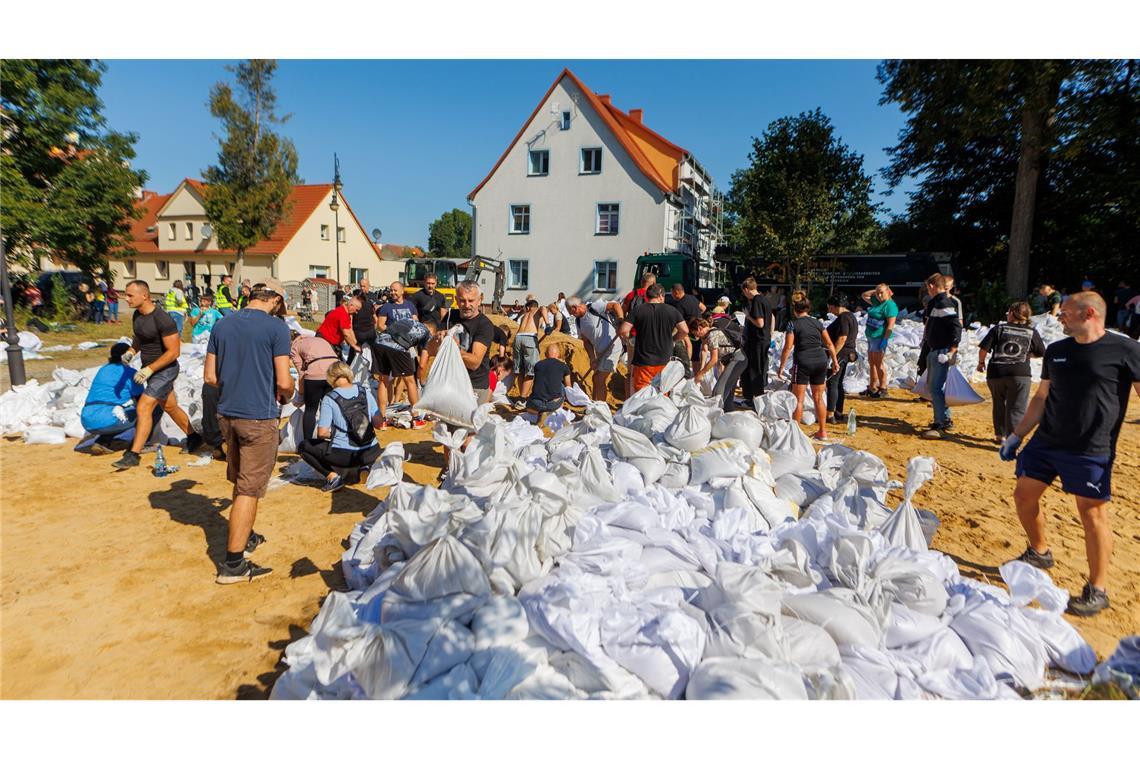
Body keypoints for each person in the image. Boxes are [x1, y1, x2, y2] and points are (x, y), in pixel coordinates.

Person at [998, 291, 1140, 616]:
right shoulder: (1057, 350)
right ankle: (1040, 551)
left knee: (1092, 515)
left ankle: (1098, 589)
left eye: (1066, 313)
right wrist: (1017, 436)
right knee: (1023, 496)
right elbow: (1041, 397)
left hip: (1091, 448)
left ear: (1088, 313)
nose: (1059, 317)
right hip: (1046, 442)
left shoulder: (1126, 350)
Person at [203, 279, 293, 584]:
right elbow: (283, 381)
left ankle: (246, 534)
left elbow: (210, 376)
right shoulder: (276, 328)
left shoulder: (222, 324)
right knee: (249, 489)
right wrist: (289, 392)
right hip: (258, 416)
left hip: (227, 413)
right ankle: (233, 565)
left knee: (240, 480)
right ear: (276, 300)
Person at [112, 281, 203, 470]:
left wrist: (150, 369)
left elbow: (174, 352)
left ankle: (133, 454)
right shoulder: (138, 315)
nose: (125, 298)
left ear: (144, 295)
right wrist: (131, 351)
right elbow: (140, 337)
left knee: (144, 405)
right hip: (151, 369)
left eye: (130, 295)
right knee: (170, 406)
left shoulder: (163, 319)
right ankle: (194, 437)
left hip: (165, 370)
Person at [298, 361, 384, 493]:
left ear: (330, 378)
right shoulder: (364, 391)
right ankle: (364, 466)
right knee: (358, 446)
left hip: (344, 455)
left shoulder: (330, 398)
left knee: (304, 446)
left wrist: (335, 435)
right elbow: (379, 423)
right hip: (372, 450)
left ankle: (333, 477)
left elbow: (322, 433)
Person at [977, 301, 1046, 444]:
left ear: (1012, 313)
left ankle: (999, 436)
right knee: (1017, 407)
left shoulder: (999, 329)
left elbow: (983, 349)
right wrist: (1027, 355)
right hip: (1020, 374)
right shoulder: (1031, 332)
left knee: (998, 404)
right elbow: (1041, 352)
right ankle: (1012, 439)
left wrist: (981, 363)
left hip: (996, 373)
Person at [80, 343, 160, 454]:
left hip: (87, 419)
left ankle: (102, 442)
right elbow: (142, 399)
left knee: (115, 411)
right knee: (150, 407)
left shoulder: (103, 369)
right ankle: (141, 444)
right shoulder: (129, 373)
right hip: (107, 419)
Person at [777, 298, 840, 440]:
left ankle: (796, 433)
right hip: (820, 360)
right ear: (808, 309)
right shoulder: (818, 323)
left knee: (798, 399)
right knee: (818, 397)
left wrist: (782, 366)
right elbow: (829, 344)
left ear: (795, 310)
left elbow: (788, 347)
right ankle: (823, 431)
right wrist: (835, 362)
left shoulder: (793, 324)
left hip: (803, 361)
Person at [617, 283, 688, 392]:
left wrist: (631, 339)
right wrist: (673, 340)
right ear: (660, 296)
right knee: (662, 393)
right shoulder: (672, 310)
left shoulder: (638, 310)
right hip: (665, 360)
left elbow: (623, 331)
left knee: (641, 395)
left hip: (643, 362)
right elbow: (684, 330)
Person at [919, 274, 963, 440]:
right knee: (934, 387)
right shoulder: (936, 302)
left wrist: (952, 349)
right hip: (935, 349)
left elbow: (956, 327)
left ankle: (940, 422)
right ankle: (943, 418)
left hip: (941, 350)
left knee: (935, 388)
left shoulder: (943, 303)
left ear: (931, 286)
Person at [437, 281, 496, 403]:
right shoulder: (449, 316)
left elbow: (474, 362)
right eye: (462, 300)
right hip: (449, 383)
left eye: (471, 300)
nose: (467, 305)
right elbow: (431, 350)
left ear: (480, 300)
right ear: (456, 300)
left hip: (474, 386)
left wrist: (454, 347)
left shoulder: (484, 325)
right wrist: (437, 338)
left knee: (470, 422)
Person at [373, 314, 435, 428]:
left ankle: (382, 420)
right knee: (410, 381)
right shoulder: (427, 333)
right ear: (432, 330)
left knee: (383, 380)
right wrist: (421, 383)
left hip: (379, 341)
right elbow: (422, 365)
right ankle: (416, 419)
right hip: (398, 346)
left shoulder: (407, 320)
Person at [567, 295, 625, 402]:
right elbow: (586, 342)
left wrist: (620, 321)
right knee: (595, 378)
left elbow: (615, 305)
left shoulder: (594, 307)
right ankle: (595, 402)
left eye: (571, 311)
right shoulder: (578, 322)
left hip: (613, 346)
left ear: (576, 307)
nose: (571, 314)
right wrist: (592, 358)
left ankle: (601, 406)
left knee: (599, 378)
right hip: (600, 351)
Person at [290, 331, 340, 441]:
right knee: (331, 407)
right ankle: (335, 438)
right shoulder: (321, 340)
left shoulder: (295, 346)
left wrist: (301, 395)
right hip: (335, 373)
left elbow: (301, 373)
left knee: (311, 410)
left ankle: (307, 443)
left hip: (315, 375)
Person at [824, 293, 859, 424]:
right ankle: (838, 412)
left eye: (830, 307)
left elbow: (842, 338)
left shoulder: (843, 318)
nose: (829, 310)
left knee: (833, 383)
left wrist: (833, 356)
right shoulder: (851, 316)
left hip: (841, 354)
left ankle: (830, 414)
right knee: (838, 384)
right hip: (847, 354)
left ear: (836, 306)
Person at [860, 283, 898, 399]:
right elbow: (864, 295)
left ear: (888, 292)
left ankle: (883, 387)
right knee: (872, 362)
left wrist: (885, 339)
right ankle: (872, 387)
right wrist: (876, 290)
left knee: (878, 363)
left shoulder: (890, 306)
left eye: (882, 293)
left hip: (880, 337)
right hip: (871, 336)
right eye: (878, 293)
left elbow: (891, 324)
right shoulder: (877, 302)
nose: (879, 295)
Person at [740, 277, 774, 403]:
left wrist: (748, 316)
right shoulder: (764, 299)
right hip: (764, 339)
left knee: (755, 369)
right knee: (759, 367)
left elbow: (760, 323)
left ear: (746, 290)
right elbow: (771, 318)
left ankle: (755, 399)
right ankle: (755, 397)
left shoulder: (756, 301)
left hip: (758, 340)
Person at [511, 299, 547, 407]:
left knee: (520, 369)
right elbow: (544, 308)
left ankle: (521, 397)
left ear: (528, 307)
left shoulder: (524, 315)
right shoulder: (536, 311)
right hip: (529, 338)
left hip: (518, 338)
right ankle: (523, 399)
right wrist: (548, 324)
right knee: (531, 371)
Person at [526, 344, 571, 424]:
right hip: (553, 404)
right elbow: (569, 387)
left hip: (536, 404)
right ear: (558, 354)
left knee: (528, 407)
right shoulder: (563, 366)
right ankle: (551, 411)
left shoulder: (538, 365)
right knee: (561, 385)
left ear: (546, 354)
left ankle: (539, 412)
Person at [316, 294, 362, 361]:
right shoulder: (342, 314)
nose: (356, 312)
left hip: (331, 342)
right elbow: (346, 333)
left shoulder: (346, 313)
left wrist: (356, 343)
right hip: (325, 341)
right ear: (351, 305)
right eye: (356, 310)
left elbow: (349, 330)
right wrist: (354, 346)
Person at [346, 279, 380, 366]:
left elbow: (375, 317)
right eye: (361, 286)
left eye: (364, 286)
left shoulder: (372, 298)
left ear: (369, 286)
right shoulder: (356, 298)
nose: (362, 288)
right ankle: (348, 370)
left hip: (369, 331)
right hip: (359, 331)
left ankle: (374, 372)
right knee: (353, 354)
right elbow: (350, 318)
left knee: (373, 353)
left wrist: (374, 329)